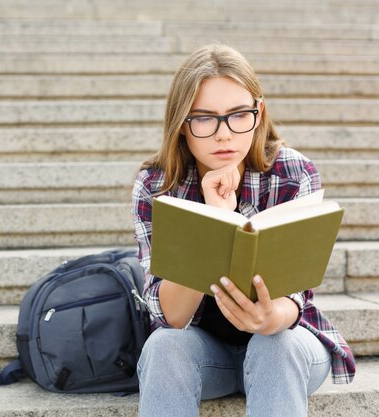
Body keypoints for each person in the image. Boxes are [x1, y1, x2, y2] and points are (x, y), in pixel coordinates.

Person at [131, 44, 356, 417]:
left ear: (259, 112)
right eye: (204, 118)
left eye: (238, 115)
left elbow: (297, 291)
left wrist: (272, 318)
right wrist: (211, 220)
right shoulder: (157, 186)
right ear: (181, 125)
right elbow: (170, 316)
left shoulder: (293, 172)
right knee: (164, 346)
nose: (224, 135)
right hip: (203, 353)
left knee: (273, 345)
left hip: (286, 345)